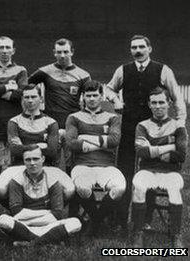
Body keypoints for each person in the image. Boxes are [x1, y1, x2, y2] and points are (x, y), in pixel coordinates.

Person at [104, 35, 187, 232]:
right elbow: (108, 88)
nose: (138, 51)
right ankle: (120, 219)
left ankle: (146, 220)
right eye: (134, 48)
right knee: (124, 169)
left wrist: (181, 123)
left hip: (154, 127)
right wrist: (115, 99)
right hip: (129, 126)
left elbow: (176, 96)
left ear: (150, 49)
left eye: (142, 47)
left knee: (149, 168)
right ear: (130, 50)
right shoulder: (123, 70)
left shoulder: (162, 70)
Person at [65, 80, 125, 236]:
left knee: (119, 189)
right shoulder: (73, 117)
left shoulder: (112, 117)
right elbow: (71, 143)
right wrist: (102, 140)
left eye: (95, 95)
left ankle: (94, 222)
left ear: (102, 96)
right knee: (82, 188)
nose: (91, 99)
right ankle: (97, 222)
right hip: (82, 165)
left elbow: (114, 141)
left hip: (107, 166)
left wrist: (84, 138)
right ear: (83, 97)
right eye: (88, 95)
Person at [131, 87, 187, 248]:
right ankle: (138, 232)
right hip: (147, 170)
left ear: (168, 103)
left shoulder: (178, 127)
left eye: (161, 102)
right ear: (149, 104)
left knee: (175, 189)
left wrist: (153, 150)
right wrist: (170, 147)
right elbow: (141, 151)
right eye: (154, 103)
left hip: (171, 171)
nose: (158, 106)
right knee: (139, 186)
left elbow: (181, 155)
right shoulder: (142, 126)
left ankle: (176, 234)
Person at [0, 146, 81, 247]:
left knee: (75, 223)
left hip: (49, 226)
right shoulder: (16, 180)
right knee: (3, 220)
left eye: (36, 159)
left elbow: (57, 214)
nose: (32, 163)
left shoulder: (53, 180)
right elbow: (16, 212)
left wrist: (28, 216)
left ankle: (30, 243)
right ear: (24, 162)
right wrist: (47, 214)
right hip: (24, 226)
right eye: (28, 160)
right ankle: (49, 241)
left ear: (43, 159)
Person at [27, 38, 90, 171]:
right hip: (50, 126)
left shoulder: (83, 75)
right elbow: (25, 85)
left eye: (65, 52)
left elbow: (90, 101)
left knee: (71, 164)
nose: (62, 55)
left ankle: (71, 191)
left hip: (72, 126)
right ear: (54, 53)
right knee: (50, 163)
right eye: (59, 52)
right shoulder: (45, 71)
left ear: (72, 52)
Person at [0, 36, 27, 221]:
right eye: (1, 47)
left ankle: (14, 211)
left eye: (8, 47)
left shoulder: (21, 70)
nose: (4, 50)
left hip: (16, 127)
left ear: (13, 50)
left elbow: (21, 95)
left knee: (16, 170)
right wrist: (8, 87)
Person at [8, 84, 58, 166]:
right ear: (22, 99)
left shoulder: (51, 122)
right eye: (27, 97)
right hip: (20, 165)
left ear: (41, 99)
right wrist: (40, 146)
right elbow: (15, 151)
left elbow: (52, 152)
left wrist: (22, 146)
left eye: (33, 97)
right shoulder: (14, 122)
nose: (30, 100)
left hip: (45, 166)